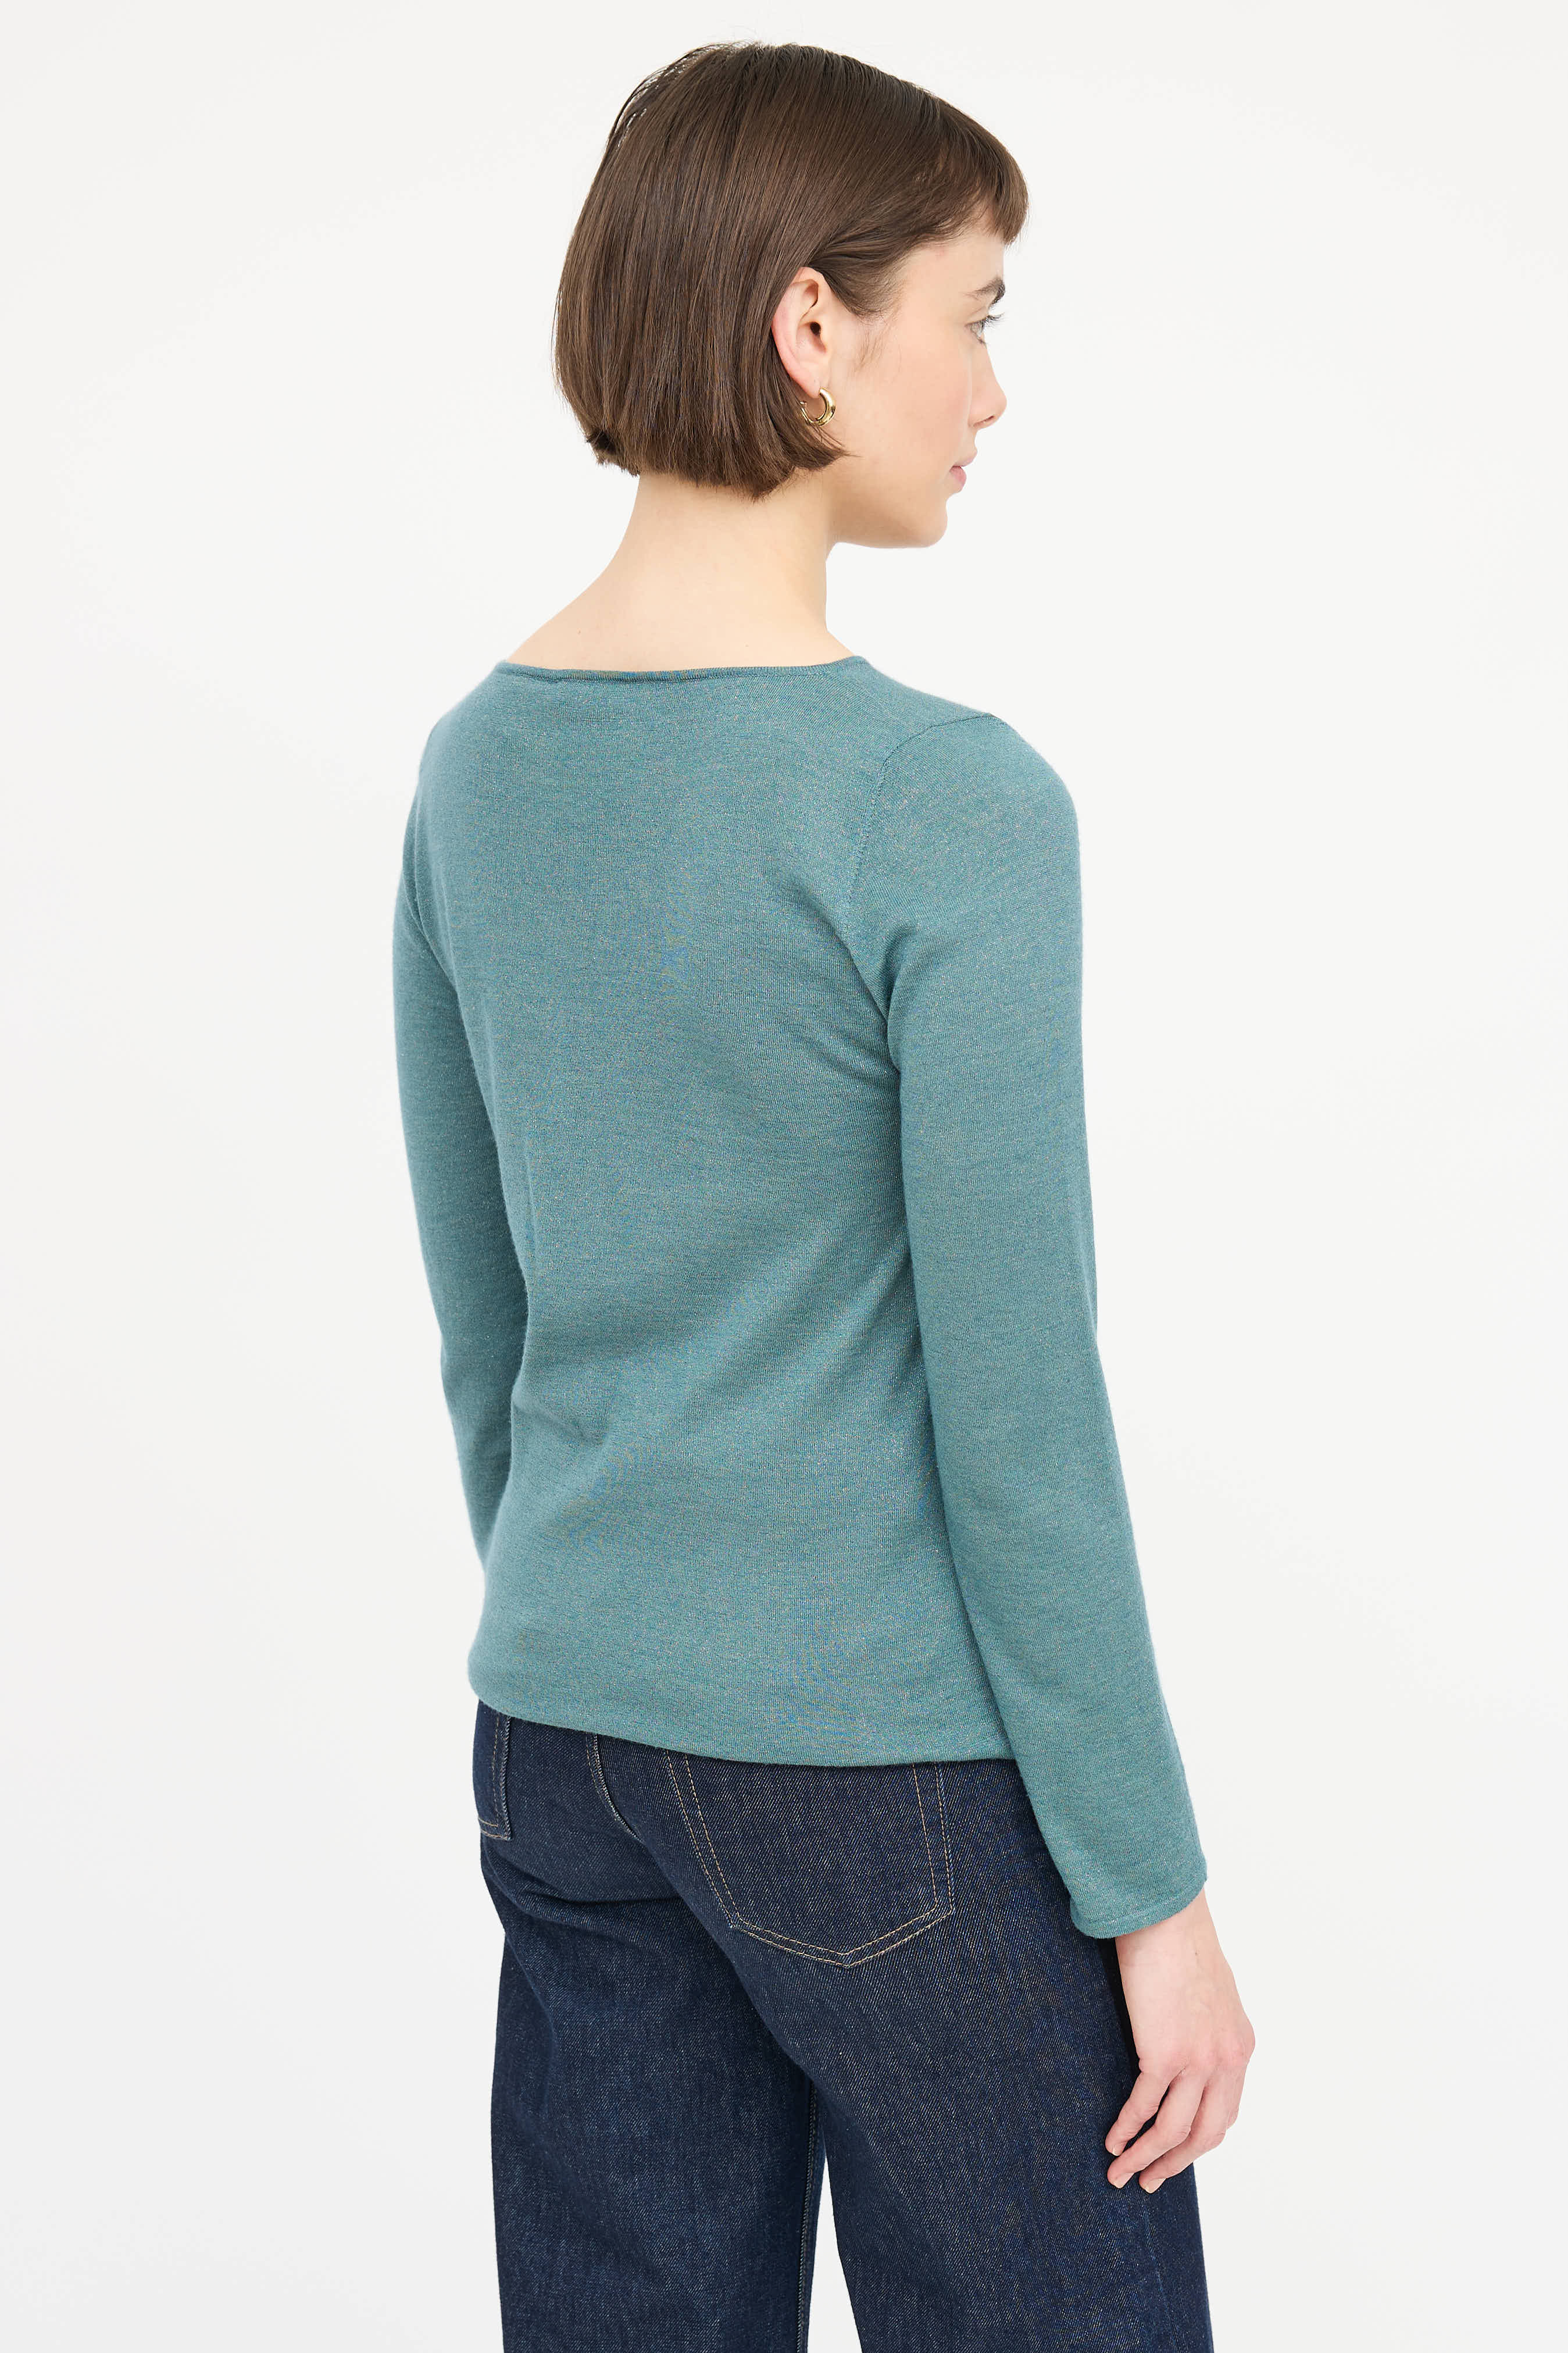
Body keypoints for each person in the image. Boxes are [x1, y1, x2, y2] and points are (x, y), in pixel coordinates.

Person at [392, 38, 1254, 2353]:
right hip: (890, 1784)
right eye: (971, 315)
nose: (991, 390)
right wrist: (1150, 1886)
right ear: (811, 325)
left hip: (567, 1744)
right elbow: (1015, 1403)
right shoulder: (940, 802)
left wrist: (609, 1617)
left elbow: (488, 1325)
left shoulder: (477, 769)